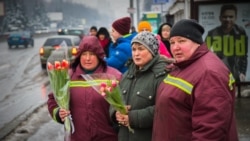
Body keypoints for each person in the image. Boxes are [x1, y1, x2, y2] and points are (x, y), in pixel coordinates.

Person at [152, 19, 238, 141]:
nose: (175, 47)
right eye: (172, 42)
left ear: (197, 42)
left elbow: (210, 131)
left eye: (182, 41)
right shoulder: (184, 64)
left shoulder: (209, 73)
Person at [47, 36, 122, 141]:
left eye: (92, 54)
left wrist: (118, 116)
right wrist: (59, 113)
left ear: (99, 56)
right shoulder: (67, 76)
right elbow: (52, 100)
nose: (87, 58)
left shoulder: (114, 76)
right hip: (77, 137)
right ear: (79, 56)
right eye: (84, 54)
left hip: (108, 137)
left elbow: (124, 104)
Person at [111, 31, 172, 141]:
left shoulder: (162, 75)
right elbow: (114, 100)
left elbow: (164, 109)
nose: (136, 53)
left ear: (152, 51)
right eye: (134, 49)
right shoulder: (127, 74)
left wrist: (132, 118)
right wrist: (116, 113)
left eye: (141, 49)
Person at [205, 4, 248, 83]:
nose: (228, 19)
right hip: (218, 74)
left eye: (231, 17)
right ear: (220, 18)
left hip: (235, 74)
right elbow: (205, 55)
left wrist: (243, 72)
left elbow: (244, 55)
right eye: (225, 17)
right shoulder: (212, 33)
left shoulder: (241, 32)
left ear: (235, 18)